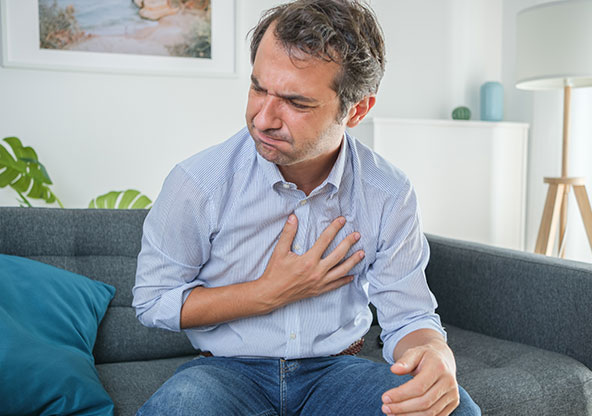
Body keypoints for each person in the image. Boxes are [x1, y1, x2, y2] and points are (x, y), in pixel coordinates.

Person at [132, 0, 481, 415]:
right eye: (259, 87)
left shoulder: (387, 192)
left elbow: (408, 317)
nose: (263, 119)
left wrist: (434, 353)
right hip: (224, 373)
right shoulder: (199, 184)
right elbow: (154, 302)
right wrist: (266, 293)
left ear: (357, 110)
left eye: (296, 103)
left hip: (337, 373)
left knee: (455, 412)